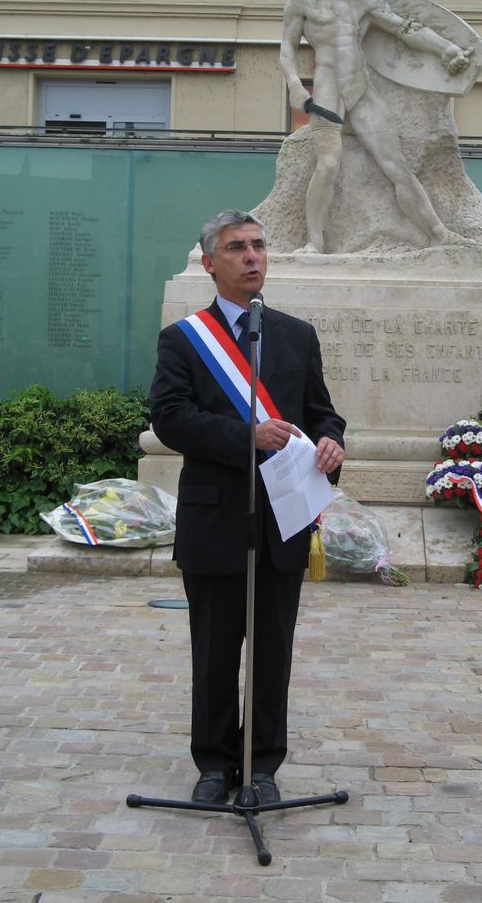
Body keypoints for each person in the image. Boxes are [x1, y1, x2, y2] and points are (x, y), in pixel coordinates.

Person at [149, 209, 346, 805]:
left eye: (259, 246)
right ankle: (213, 765)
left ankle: (261, 768)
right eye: (237, 248)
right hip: (215, 520)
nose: (252, 256)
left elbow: (321, 413)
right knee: (213, 652)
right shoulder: (184, 340)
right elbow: (171, 418)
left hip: (283, 520)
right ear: (210, 263)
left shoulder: (295, 335)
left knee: (271, 652)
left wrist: (335, 442)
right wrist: (247, 437)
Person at [280, 0, 474, 253]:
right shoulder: (304, 2)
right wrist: (293, 83)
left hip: (361, 91)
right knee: (328, 164)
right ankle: (314, 242)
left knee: (397, 167)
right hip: (327, 92)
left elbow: (406, 29)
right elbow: (287, 47)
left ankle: (438, 233)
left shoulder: (365, 6)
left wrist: (446, 49)